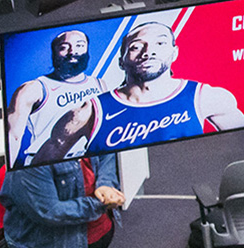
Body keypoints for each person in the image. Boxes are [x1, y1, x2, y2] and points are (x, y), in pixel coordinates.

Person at [32, 22, 244, 164]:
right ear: (121, 61)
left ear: (174, 53)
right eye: (135, 47)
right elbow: (39, 169)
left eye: (160, 43)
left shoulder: (208, 97)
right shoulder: (87, 113)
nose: (148, 52)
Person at [0, 154, 125, 248]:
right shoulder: (30, 155)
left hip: (97, 233)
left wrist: (106, 185)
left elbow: (105, 152)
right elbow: (49, 211)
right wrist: (101, 204)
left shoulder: (89, 131)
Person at [6, 29, 105, 167]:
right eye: (64, 47)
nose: (72, 52)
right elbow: (12, 138)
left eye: (79, 45)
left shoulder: (99, 84)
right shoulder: (34, 89)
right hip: (46, 166)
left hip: (89, 164)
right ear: (54, 54)